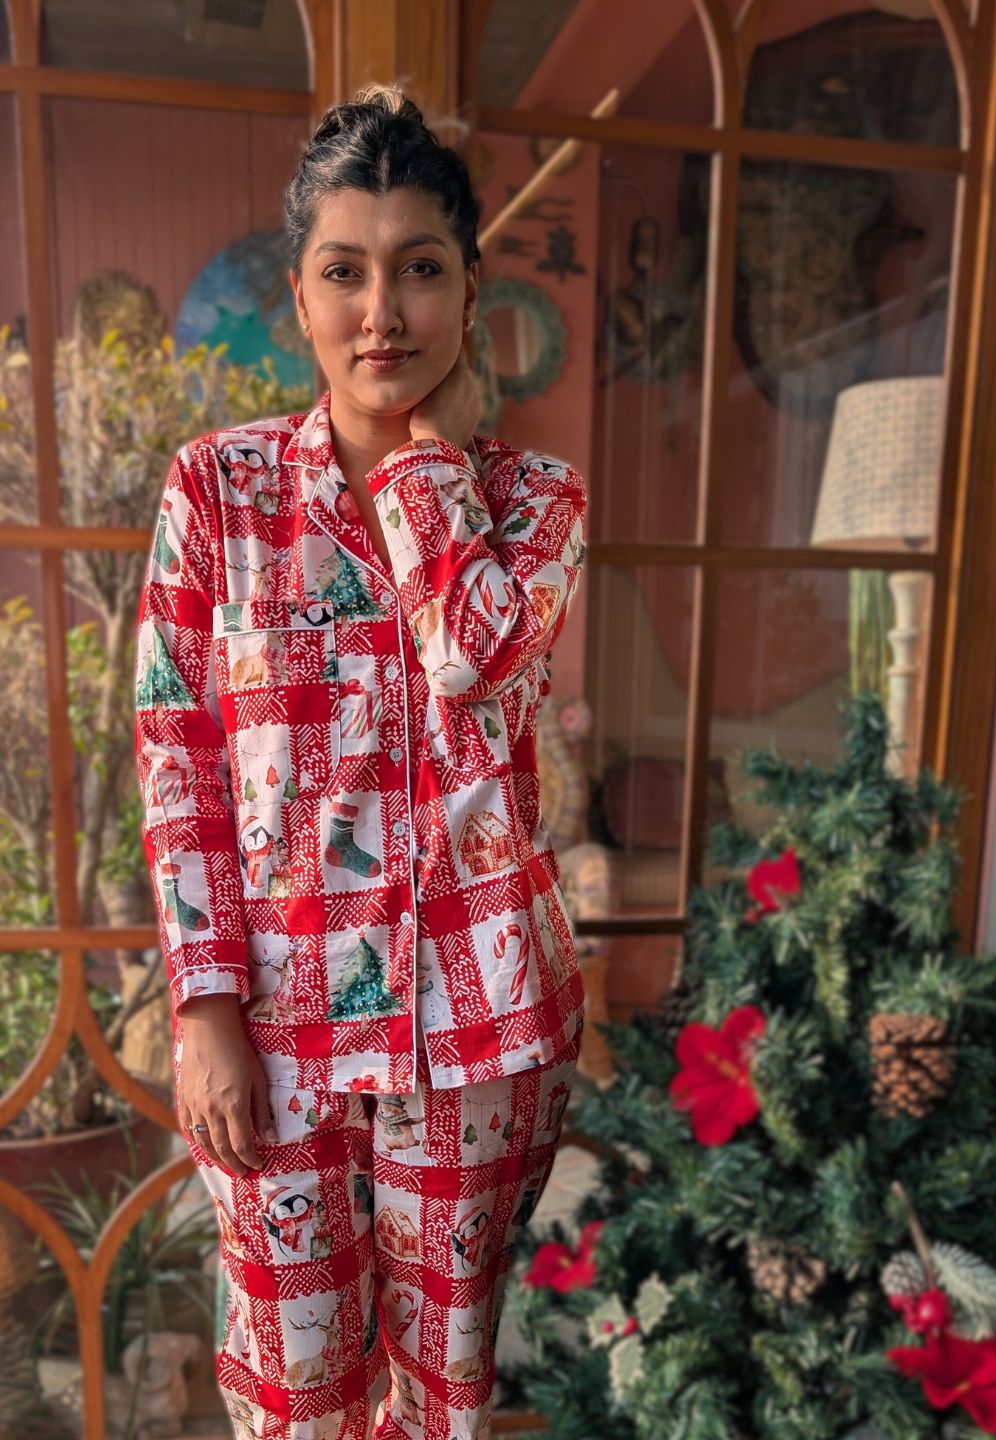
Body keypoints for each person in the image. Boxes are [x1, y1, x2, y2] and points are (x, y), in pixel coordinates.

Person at [134, 81, 588, 1440]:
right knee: (293, 1399)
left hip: (478, 1031)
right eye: (346, 272)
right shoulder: (216, 492)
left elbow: (476, 670)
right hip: (273, 1042)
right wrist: (204, 1006)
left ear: (468, 289)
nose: (382, 312)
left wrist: (423, 474)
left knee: (442, 1403)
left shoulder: (534, 505)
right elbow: (179, 752)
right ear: (300, 293)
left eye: (419, 271)